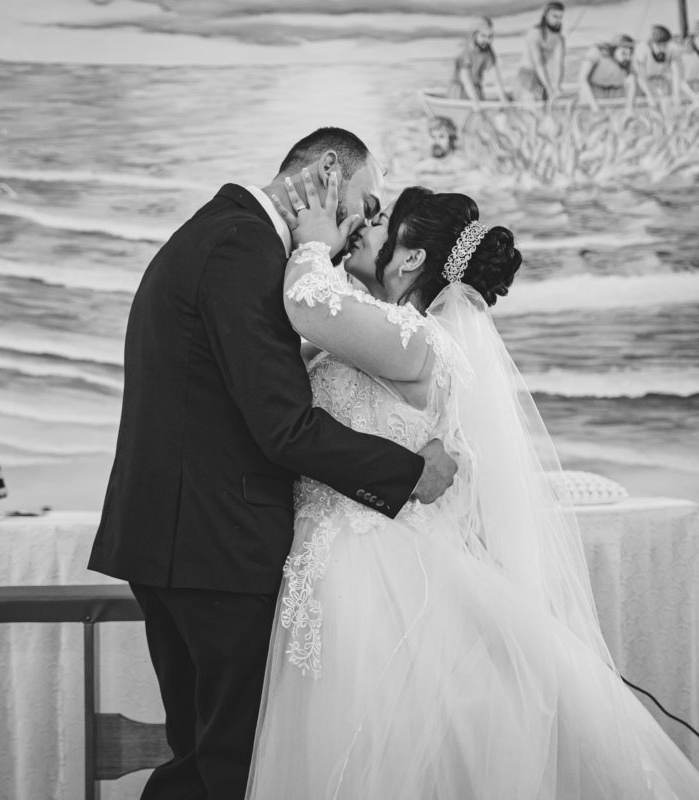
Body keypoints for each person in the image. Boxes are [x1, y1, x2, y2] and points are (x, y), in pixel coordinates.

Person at [245, 178, 699, 798]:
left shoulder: (418, 340)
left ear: (412, 258)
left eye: (382, 222)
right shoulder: (377, 329)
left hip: (374, 572)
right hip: (328, 562)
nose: (363, 226)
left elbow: (309, 302)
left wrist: (311, 241)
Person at [87, 127, 458, 800]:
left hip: (183, 541)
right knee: (226, 768)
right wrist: (409, 474)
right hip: (214, 546)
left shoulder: (222, 233)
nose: (363, 223)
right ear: (327, 170)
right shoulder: (242, 246)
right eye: (366, 202)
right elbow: (283, 427)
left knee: (201, 765)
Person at [447, 16, 509, 111]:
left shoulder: (488, 51)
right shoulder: (465, 51)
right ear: (475, 35)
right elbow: (467, 81)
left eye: (490, 37)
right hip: (460, 90)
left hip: (476, 88)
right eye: (483, 36)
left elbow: (496, 78)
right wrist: (475, 101)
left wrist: (503, 99)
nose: (487, 40)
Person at [517, 2, 567, 103]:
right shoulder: (535, 33)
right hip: (527, 75)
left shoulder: (559, 38)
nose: (558, 20)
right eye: (555, 16)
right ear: (546, 15)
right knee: (538, 101)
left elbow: (559, 64)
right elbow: (539, 64)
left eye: (560, 17)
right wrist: (549, 88)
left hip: (541, 77)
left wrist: (557, 86)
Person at [580, 34, 639, 112]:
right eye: (623, 53)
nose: (627, 57)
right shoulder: (596, 53)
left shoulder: (628, 60)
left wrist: (630, 107)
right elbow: (583, 79)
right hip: (594, 92)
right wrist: (593, 104)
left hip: (617, 93)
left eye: (629, 53)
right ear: (614, 49)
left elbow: (632, 83)